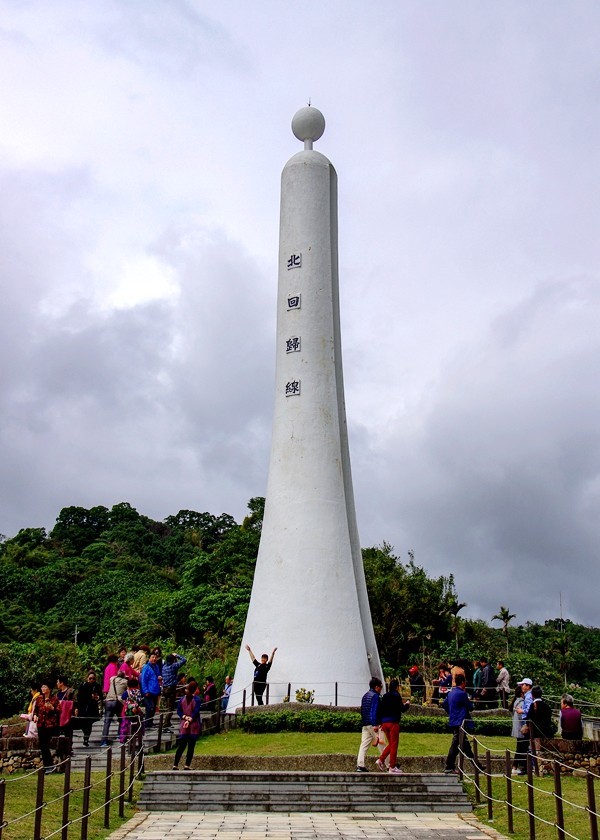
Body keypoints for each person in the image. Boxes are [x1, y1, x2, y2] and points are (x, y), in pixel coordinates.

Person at [442, 674, 484, 774]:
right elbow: (470, 707)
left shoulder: (451, 692)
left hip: (454, 721)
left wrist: (451, 712)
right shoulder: (462, 694)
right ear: (463, 682)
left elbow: (444, 704)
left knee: (465, 746)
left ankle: (478, 766)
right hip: (461, 722)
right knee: (456, 744)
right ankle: (449, 766)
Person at [375, 678, 410, 774]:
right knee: (394, 745)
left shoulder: (385, 696)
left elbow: (380, 709)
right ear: (397, 687)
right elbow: (402, 709)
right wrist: (407, 704)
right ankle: (392, 766)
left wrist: (379, 722)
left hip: (384, 723)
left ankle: (381, 760)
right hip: (393, 722)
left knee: (391, 744)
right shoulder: (396, 696)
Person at [172, 680, 202, 770]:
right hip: (193, 724)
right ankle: (187, 764)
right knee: (191, 745)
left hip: (183, 723)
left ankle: (175, 764)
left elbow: (179, 711)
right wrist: (190, 719)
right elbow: (196, 711)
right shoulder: (197, 699)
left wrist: (184, 717)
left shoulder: (182, 699)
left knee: (182, 745)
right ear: (195, 689)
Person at [356, 677, 383, 772]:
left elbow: (362, 710)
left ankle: (360, 764)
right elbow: (374, 710)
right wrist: (375, 724)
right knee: (381, 743)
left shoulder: (365, 695)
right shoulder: (375, 696)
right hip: (373, 723)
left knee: (364, 744)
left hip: (365, 723)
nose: (381, 689)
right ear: (376, 687)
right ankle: (389, 764)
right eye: (380, 687)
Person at [33, 683, 61, 773]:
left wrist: (52, 708)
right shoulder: (39, 698)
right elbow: (36, 711)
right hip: (41, 724)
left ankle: (49, 765)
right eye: (42, 687)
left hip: (50, 725)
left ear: (49, 689)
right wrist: (35, 716)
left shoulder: (55, 699)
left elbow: (59, 711)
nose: (43, 689)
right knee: (42, 745)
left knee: (45, 744)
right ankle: (48, 765)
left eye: (45, 687)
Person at [100, 669, 128, 746]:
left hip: (109, 701)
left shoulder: (112, 679)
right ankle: (120, 735)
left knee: (107, 722)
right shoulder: (125, 682)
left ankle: (104, 741)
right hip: (119, 702)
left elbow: (113, 677)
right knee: (121, 719)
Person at [161, 652, 187, 730]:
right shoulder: (173, 666)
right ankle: (165, 723)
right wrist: (177, 655)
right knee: (170, 707)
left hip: (164, 688)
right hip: (171, 688)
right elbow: (184, 660)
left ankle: (167, 722)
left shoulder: (164, 667)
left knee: (167, 706)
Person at [75, 670, 101, 748]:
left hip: (92, 708)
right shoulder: (83, 686)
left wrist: (97, 697)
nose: (92, 680)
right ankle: (85, 736)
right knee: (83, 724)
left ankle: (86, 739)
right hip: (83, 708)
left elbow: (100, 695)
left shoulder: (97, 686)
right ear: (87, 678)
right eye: (90, 678)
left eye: (93, 678)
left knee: (89, 724)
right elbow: (79, 697)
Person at [55, 675, 75, 762]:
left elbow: (74, 702)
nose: (57, 684)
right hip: (59, 716)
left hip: (68, 715)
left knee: (68, 733)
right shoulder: (57, 694)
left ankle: (69, 748)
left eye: (58, 682)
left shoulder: (71, 691)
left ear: (62, 683)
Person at [140, 651, 161, 729]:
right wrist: (145, 691)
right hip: (148, 691)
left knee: (153, 708)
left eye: (155, 657)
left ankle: (150, 722)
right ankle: (146, 723)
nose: (154, 659)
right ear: (149, 658)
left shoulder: (156, 666)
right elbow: (143, 679)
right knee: (150, 707)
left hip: (155, 690)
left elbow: (158, 675)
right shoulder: (146, 667)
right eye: (152, 657)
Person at [509, 684, 527, 775]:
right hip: (520, 728)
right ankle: (517, 766)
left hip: (516, 728)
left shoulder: (516, 702)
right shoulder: (521, 702)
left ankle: (515, 766)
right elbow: (522, 716)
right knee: (521, 748)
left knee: (519, 748)